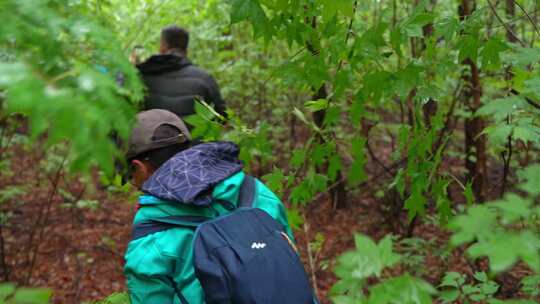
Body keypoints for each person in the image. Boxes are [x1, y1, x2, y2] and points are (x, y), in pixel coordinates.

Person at [123, 109, 298, 304]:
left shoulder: (151, 237)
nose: (133, 183)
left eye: (131, 175)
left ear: (139, 167)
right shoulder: (255, 191)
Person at [136, 25, 226, 119]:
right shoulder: (205, 79)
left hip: (153, 132)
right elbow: (222, 118)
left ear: (163, 46)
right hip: (191, 133)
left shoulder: (142, 75)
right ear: (186, 49)